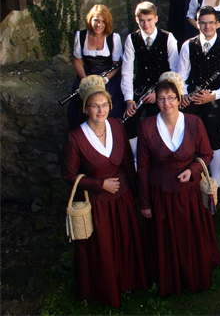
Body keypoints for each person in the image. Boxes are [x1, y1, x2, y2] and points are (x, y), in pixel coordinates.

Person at [62, 75, 146, 307]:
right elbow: (68, 176)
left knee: (125, 240)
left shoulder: (118, 126)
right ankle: (105, 287)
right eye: (95, 106)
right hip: (96, 202)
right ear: (86, 109)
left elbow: (128, 162)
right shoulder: (76, 138)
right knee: (103, 247)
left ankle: (128, 281)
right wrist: (100, 185)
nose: (101, 110)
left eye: (105, 105)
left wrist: (138, 197)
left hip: (122, 198)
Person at [137, 71, 220, 296]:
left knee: (189, 237)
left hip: (189, 193)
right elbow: (142, 168)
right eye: (161, 98)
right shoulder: (146, 127)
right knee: (164, 241)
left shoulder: (194, 122)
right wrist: (144, 203)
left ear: (179, 97)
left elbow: (206, 153)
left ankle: (194, 276)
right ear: (156, 99)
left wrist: (192, 170)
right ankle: (169, 279)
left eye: (171, 97)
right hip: (160, 194)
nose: (166, 103)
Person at [178, 6, 220, 188]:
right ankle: (185, 167)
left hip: (217, 94)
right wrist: (184, 94)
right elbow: (181, 76)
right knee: (183, 122)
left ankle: (216, 179)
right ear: (197, 24)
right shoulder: (188, 45)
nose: (207, 26)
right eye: (203, 23)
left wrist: (213, 96)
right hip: (194, 92)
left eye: (211, 22)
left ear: (218, 24)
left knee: (213, 127)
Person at [121, 2, 179, 158]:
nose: (145, 24)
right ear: (136, 20)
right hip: (140, 86)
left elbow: (174, 70)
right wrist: (129, 100)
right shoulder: (131, 38)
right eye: (142, 20)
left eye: (149, 20)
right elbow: (127, 72)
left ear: (156, 19)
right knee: (129, 121)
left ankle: (156, 157)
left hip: (162, 88)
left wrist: (158, 93)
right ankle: (135, 158)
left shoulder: (168, 38)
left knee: (156, 121)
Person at [69, 5, 123, 129]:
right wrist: (84, 79)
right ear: (90, 20)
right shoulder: (81, 36)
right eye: (96, 20)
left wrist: (105, 79)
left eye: (103, 21)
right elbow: (77, 60)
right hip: (87, 74)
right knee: (78, 103)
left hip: (107, 76)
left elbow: (116, 65)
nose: (99, 24)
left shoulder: (114, 38)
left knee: (109, 99)